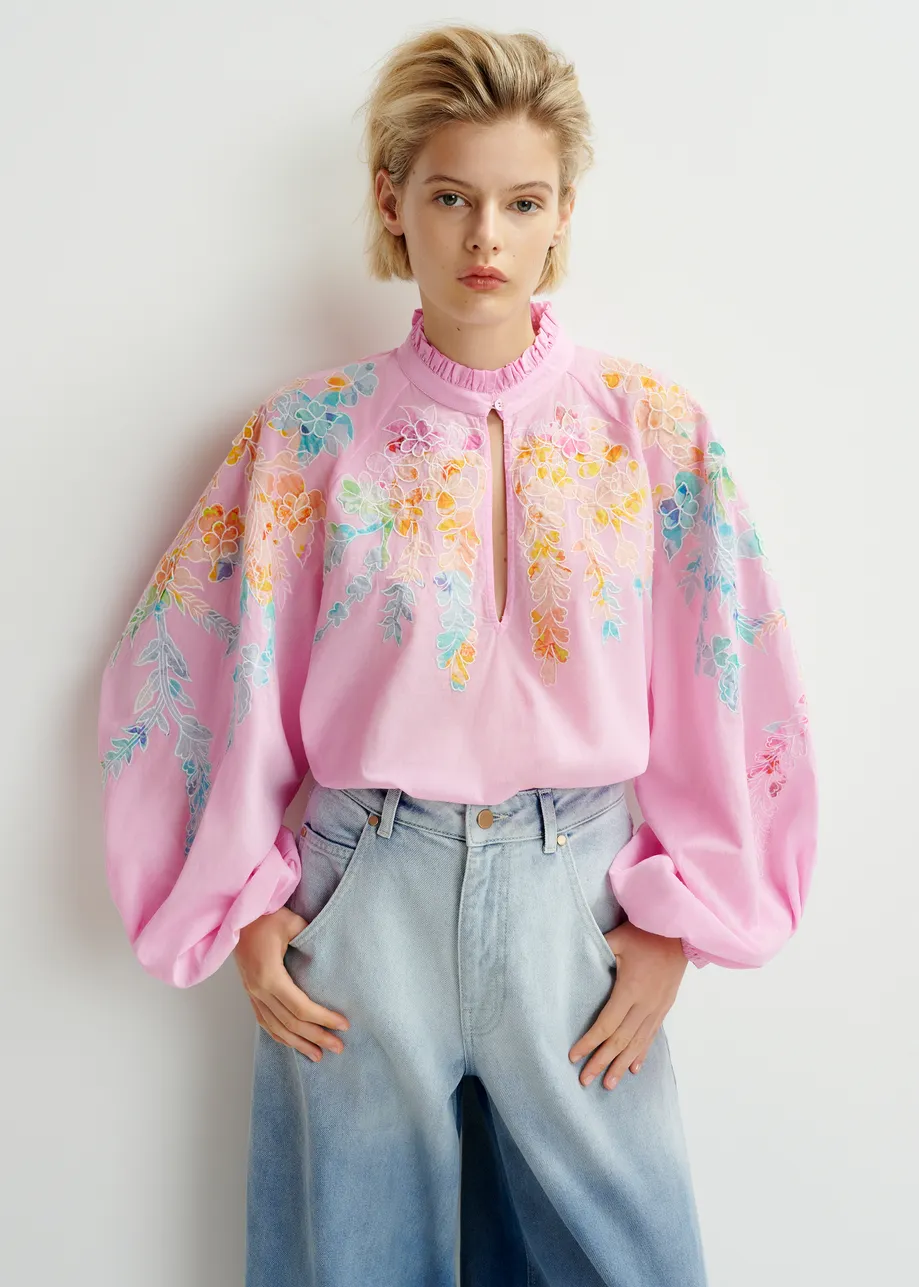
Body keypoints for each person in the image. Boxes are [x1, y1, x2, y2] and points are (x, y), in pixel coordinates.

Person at [97, 22, 819, 1287]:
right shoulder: (308, 437)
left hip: (578, 901)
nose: (486, 237)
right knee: (358, 1264)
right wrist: (245, 911)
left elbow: (735, 667)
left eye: (520, 201)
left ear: (560, 216)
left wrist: (683, 922)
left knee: (631, 1260)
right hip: (361, 899)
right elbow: (190, 667)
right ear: (394, 202)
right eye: (450, 197)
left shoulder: (646, 432)